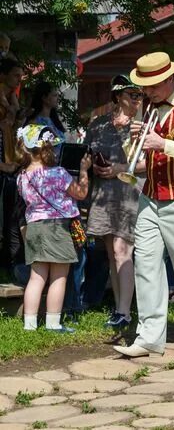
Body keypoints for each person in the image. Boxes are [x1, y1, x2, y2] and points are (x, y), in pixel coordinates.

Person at [115, 52, 174, 359]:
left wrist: (162, 143)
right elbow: (142, 160)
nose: (147, 92)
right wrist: (133, 141)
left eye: (153, 85)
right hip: (150, 196)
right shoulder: (150, 108)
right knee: (145, 265)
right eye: (145, 86)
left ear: (170, 78)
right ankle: (149, 336)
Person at [16, 124, 90, 332]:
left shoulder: (22, 177)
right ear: (45, 148)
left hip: (34, 227)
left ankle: (29, 325)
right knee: (59, 276)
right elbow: (81, 193)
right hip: (57, 227)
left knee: (36, 277)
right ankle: (53, 323)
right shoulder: (58, 173)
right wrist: (84, 171)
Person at [86, 75, 143, 329]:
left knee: (123, 251)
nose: (138, 99)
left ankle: (124, 312)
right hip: (104, 193)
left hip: (129, 193)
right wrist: (94, 167)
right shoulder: (98, 124)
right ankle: (121, 309)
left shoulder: (140, 126)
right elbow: (87, 153)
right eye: (133, 94)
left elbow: (149, 164)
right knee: (111, 253)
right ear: (119, 96)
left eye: (140, 95)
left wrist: (119, 167)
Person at [0, 58, 24, 273]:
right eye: (16, 75)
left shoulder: (11, 98)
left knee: (9, 217)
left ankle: (8, 261)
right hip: (2, 161)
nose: (19, 79)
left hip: (8, 160)